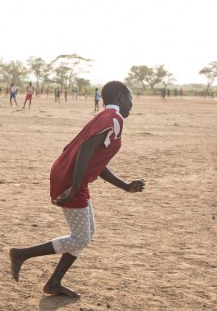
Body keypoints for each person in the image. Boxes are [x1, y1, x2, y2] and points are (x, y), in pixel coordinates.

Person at [9, 81, 145, 298]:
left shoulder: (106, 118)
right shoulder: (113, 119)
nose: (132, 104)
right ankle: (21, 255)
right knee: (81, 237)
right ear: (120, 97)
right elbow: (85, 149)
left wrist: (125, 186)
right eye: (131, 98)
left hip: (73, 177)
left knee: (88, 232)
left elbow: (95, 161)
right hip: (71, 178)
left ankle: (54, 283)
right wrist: (73, 188)